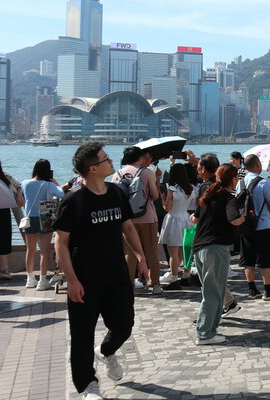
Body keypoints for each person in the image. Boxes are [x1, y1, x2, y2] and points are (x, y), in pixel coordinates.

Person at [55, 142, 148, 400]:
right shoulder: (74, 200)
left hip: (116, 274)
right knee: (82, 336)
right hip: (84, 278)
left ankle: (106, 351)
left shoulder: (117, 193)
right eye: (106, 159)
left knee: (124, 325)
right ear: (94, 169)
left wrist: (141, 256)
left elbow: (127, 227)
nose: (111, 161)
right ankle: (88, 386)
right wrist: (71, 280)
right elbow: (60, 242)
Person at [192, 163, 245, 345]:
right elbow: (234, 219)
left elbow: (195, 218)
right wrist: (244, 216)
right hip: (215, 248)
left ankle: (208, 330)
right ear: (233, 179)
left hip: (199, 247)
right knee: (214, 293)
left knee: (210, 291)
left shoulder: (207, 193)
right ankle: (205, 333)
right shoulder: (228, 198)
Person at [116, 147, 162, 294]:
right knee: (151, 252)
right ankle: (155, 284)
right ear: (140, 157)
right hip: (147, 216)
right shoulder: (146, 172)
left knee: (130, 253)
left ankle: (129, 284)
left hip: (127, 220)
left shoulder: (117, 174)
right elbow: (155, 196)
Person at [240, 155, 270, 300]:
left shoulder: (240, 182)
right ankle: (268, 290)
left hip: (245, 226)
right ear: (258, 164)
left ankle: (252, 290)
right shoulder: (264, 183)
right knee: (266, 259)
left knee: (248, 259)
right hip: (262, 226)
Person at [20, 159, 63, 290]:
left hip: (29, 218)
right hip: (46, 217)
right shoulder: (48, 184)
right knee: (44, 252)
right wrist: (55, 183)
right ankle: (42, 280)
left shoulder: (25, 183)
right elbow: (62, 194)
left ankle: (30, 279)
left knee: (30, 250)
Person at [158, 163, 198, 284]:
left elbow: (167, 207)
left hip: (173, 219)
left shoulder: (172, 189)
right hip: (185, 218)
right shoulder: (191, 189)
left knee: (173, 252)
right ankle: (186, 273)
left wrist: (162, 198)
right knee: (185, 249)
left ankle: (174, 275)